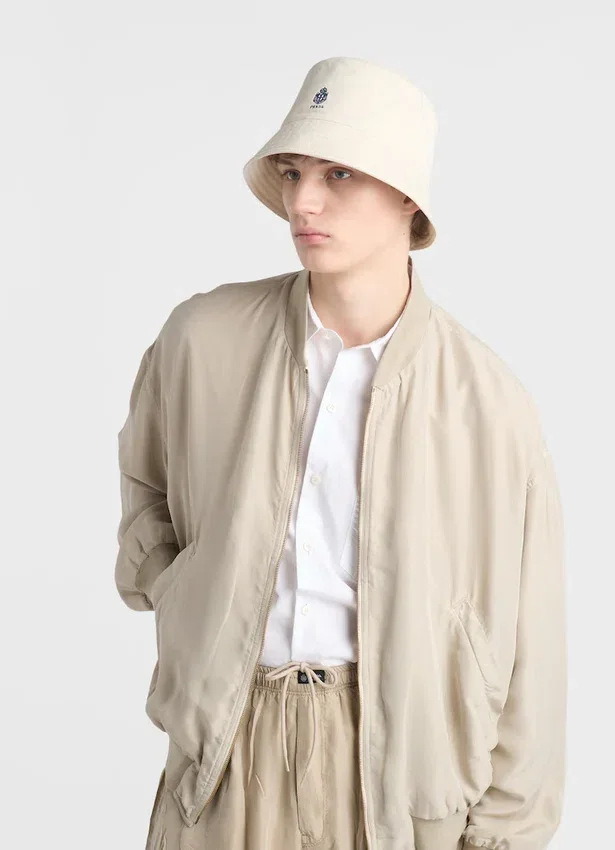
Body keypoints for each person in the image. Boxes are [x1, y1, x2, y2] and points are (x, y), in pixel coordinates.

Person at [115, 56, 567, 850]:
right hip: (224, 757)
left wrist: (505, 835)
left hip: (395, 782)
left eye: (340, 174)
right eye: (294, 172)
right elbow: (145, 485)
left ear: (407, 196)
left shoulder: (488, 405)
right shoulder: (201, 340)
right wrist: (186, 590)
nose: (303, 201)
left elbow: (531, 646)